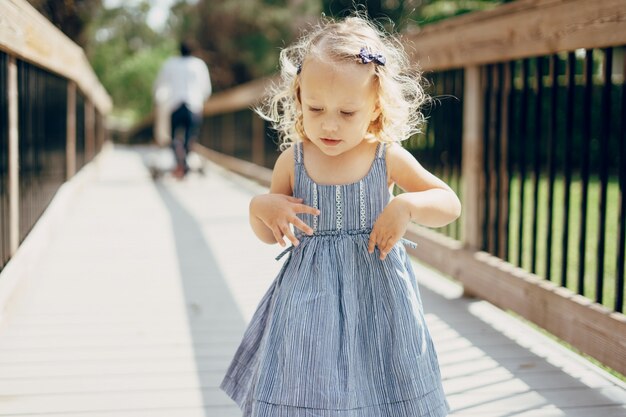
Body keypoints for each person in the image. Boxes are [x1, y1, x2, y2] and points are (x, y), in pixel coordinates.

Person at [220, 13, 461, 417]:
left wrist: (406, 205)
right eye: (315, 108)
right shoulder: (292, 162)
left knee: (383, 378)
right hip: (307, 299)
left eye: (347, 113)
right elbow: (268, 236)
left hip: (380, 297)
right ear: (298, 100)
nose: (329, 124)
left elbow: (448, 202)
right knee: (305, 379)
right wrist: (260, 207)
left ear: (375, 107)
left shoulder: (386, 157)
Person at [153, 40, 211, 178]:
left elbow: (159, 85)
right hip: (194, 106)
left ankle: (180, 164)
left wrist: (158, 101)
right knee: (190, 137)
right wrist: (201, 100)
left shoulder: (170, 63)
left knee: (175, 137)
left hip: (175, 105)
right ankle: (184, 165)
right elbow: (206, 89)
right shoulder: (199, 64)